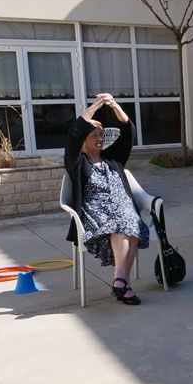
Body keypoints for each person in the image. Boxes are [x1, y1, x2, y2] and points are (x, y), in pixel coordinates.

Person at [65, 93, 148, 305]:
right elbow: (74, 133)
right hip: (96, 213)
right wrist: (95, 107)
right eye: (95, 136)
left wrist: (114, 106)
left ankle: (120, 281)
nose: (100, 139)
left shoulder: (113, 157)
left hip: (123, 208)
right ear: (84, 140)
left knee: (133, 224)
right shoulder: (77, 162)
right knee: (126, 225)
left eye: (101, 135)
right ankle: (123, 282)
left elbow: (129, 131)